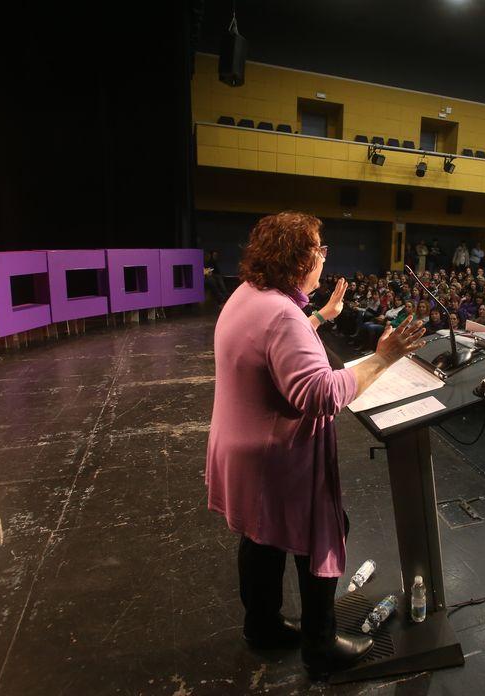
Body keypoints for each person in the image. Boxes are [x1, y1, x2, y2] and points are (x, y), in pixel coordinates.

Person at [206, 212, 427, 678]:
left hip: (242, 448)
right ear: (300, 258)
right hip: (277, 459)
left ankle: (261, 626)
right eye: (319, 248)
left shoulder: (250, 295)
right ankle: (321, 647)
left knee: (261, 540)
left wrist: (320, 318)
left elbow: (277, 345)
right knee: (326, 530)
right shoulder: (281, 315)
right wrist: (383, 359)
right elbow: (321, 395)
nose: (325, 255)